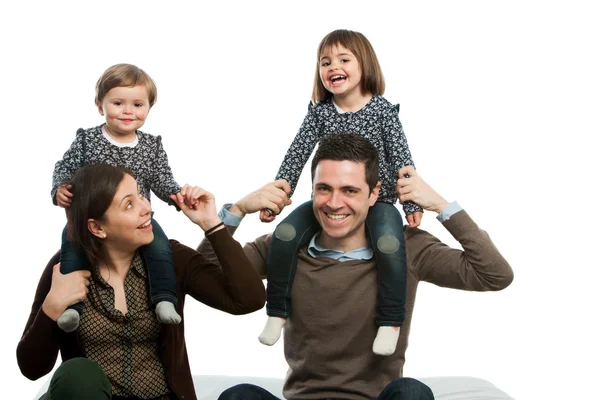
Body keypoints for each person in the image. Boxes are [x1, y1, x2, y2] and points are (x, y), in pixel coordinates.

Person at [200, 134, 513, 400]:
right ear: (312, 191)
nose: (335, 203)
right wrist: (236, 211)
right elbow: (203, 277)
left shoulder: (408, 248)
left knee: (411, 393)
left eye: (349, 190)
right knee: (238, 396)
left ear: (374, 193)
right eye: (324, 189)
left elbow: (494, 274)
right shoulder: (283, 248)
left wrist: (443, 206)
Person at [18, 163, 266, 400]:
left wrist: (211, 223)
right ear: (97, 227)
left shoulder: (173, 260)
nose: (146, 207)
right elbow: (32, 369)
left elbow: (248, 300)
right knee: (78, 376)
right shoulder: (63, 269)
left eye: (140, 194)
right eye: (128, 205)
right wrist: (51, 307)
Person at [259, 29, 423, 355]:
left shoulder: (383, 112)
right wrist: (277, 199)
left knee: (390, 244)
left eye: (344, 59)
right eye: (325, 61)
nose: (333, 66)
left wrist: (412, 204)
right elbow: (295, 156)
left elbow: (403, 161)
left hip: (379, 201)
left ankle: (390, 320)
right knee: (287, 233)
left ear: (365, 66)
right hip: (330, 199)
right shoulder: (320, 113)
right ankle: (277, 311)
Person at [51, 63, 185, 332]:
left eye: (137, 104)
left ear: (148, 108)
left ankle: (164, 299)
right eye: (118, 103)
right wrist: (59, 188)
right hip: (92, 217)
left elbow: (162, 178)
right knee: (71, 246)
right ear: (101, 105)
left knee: (160, 248)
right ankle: (72, 307)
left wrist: (176, 195)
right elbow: (64, 167)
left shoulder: (151, 146)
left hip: (136, 218)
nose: (128, 111)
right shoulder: (87, 140)